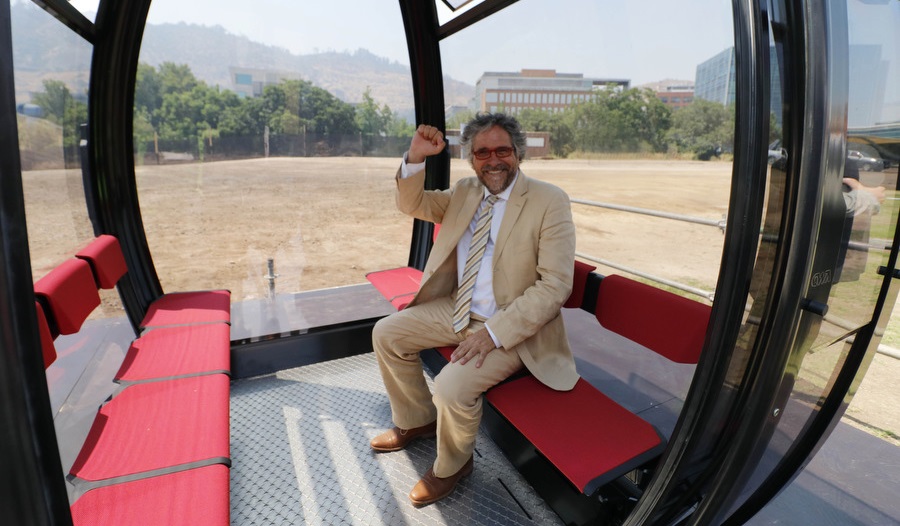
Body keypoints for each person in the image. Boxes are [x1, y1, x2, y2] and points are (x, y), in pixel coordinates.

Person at [370, 112, 579, 506]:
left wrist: (494, 334)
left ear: (518, 153)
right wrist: (416, 156)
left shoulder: (549, 201)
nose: (493, 159)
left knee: (450, 386)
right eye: (483, 152)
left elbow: (555, 285)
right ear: (471, 158)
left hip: (511, 327)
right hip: (457, 309)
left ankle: (454, 463)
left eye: (503, 149)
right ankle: (417, 420)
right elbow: (411, 203)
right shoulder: (464, 192)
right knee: (387, 333)